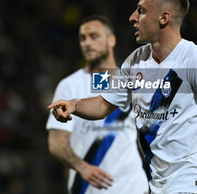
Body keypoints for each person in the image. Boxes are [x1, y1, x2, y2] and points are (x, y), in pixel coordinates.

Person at [48, 0, 197, 194]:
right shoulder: (135, 62)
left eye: (141, 11)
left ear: (164, 17)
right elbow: (103, 104)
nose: (132, 17)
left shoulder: (196, 60)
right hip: (157, 182)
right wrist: (74, 104)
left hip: (191, 176)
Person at [46, 15, 148, 194]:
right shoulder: (70, 85)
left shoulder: (134, 81)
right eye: (82, 38)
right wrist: (83, 167)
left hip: (133, 187)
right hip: (89, 189)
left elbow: (143, 138)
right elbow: (56, 142)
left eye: (94, 36)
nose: (87, 43)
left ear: (112, 39)